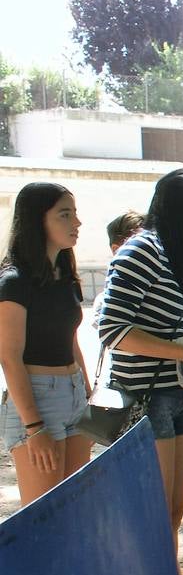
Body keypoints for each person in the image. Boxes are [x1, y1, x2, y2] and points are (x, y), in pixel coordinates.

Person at [98, 168, 183, 575]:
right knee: (151, 509)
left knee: (172, 509)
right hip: (143, 397)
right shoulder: (142, 250)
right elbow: (112, 329)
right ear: (175, 202)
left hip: (176, 395)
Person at [0, 183, 92, 505]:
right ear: (37, 221)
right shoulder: (14, 282)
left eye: (75, 213)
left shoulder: (65, 276)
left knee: (74, 511)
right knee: (46, 521)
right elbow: (9, 359)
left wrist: (87, 393)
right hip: (37, 401)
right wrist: (35, 428)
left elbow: (71, 340)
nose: (76, 223)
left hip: (74, 396)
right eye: (64, 215)